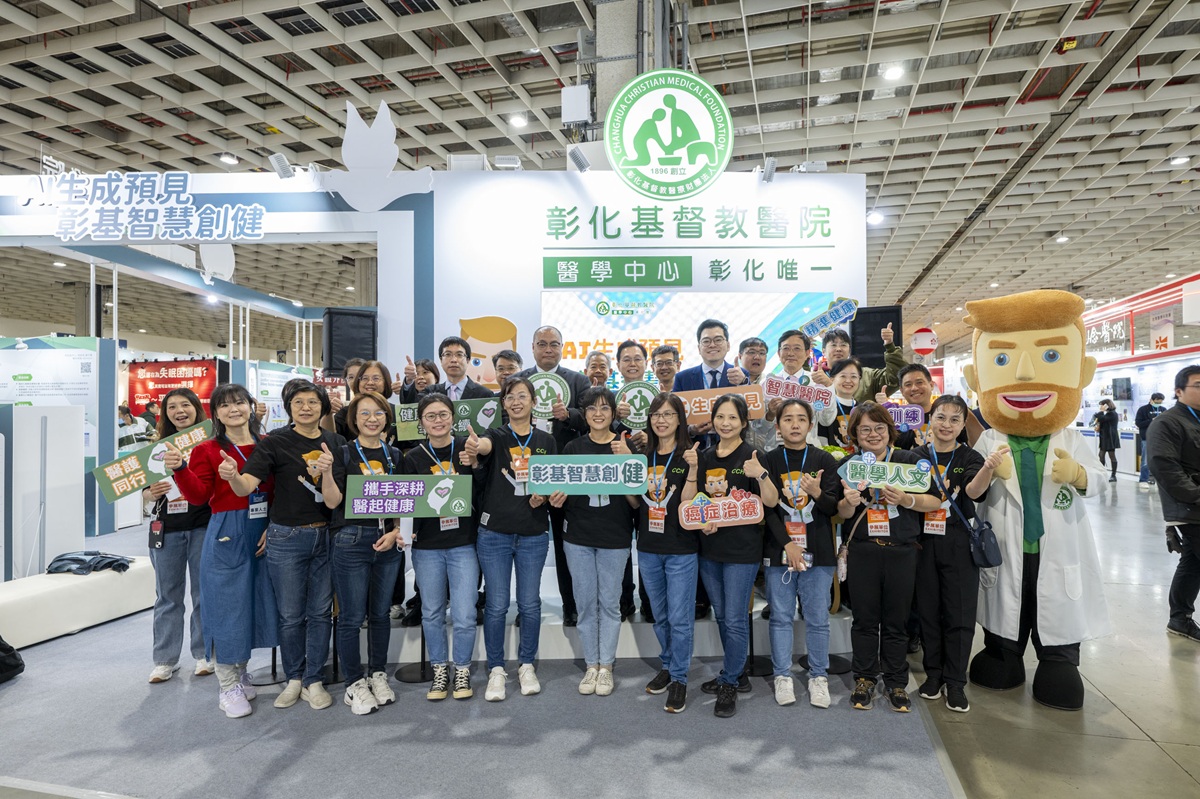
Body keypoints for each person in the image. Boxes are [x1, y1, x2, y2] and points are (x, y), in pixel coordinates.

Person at [963, 290, 1110, 711]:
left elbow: (1100, 480)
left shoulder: (1070, 438)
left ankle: (1059, 660)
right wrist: (988, 472)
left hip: (1058, 545)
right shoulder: (991, 438)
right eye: (1003, 359)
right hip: (1005, 545)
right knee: (1008, 603)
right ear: (977, 378)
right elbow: (970, 490)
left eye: (1050, 357)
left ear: (1082, 372)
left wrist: (1079, 475)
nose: (1025, 375)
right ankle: (1003, 652)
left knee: (1056, 606)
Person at [219, 380, 347, 711]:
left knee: (320, 613)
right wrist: (233, 476)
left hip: (326, 536)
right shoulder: (275, 441)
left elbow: (334, 501)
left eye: (313, 402)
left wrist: (327, 471)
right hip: (286, 538)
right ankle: (294, 678)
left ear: (323, 407)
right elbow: (246, 487)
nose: (306, 407)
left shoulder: (335, 442)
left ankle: (314, 679)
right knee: (291, 615)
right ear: (288, 407)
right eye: (298, 402)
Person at [171, 383, 278, 718]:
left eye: (239, 402)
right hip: (227, 532)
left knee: (255, 603)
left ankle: (242, 669)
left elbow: (279, 491)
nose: (234, 409)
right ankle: (227, 683)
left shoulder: (266, 444)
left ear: (250, 406)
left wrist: (273, 525)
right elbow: (198, 497)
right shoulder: (206, 450)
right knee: (226, 605)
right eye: (225, 405)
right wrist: (180, 469)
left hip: (264, 529)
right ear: (215, 413)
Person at [836, 402, 942, 712]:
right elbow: (840, 514)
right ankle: (865, 678)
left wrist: (907, 499)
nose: (873, 434)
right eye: (865, 429)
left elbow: (935, 500)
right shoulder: (849, 466)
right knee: (865, 620)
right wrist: (848, 501)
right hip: (863, 550)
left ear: (889, 431)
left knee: (897, 621)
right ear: (855, 434)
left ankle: (896, 681)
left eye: (879, 428)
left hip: (902, 551)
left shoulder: (908, 461)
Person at [682, 393, 778, 718]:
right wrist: (702, 520)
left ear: (744, 422)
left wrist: (760, 474)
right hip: (710, 549)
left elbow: (771, 501)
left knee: (736, 618)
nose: (725, 423)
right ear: (713, 420)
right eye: (720, 417)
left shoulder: (753, 455)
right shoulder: (705, 456)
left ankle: (729, 681)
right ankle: (736, 673)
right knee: (722, 616)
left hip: (742, 551)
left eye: (733, 417)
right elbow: (694, 502)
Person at [463, 376, 556, 701]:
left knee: (530, 604)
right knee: (497, 605)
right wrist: (476, 446)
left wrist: (544, 496)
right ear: (503, 403)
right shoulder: (496, 435)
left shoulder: (546, 440)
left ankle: (526, 665)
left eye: (522, 396)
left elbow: (552, 479)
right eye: (510, 397)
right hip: (494, 534)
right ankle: (496, 669)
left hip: (533, 534)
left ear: (533, 402)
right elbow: (484, 446)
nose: (516, 402)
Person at [913, 395, 1007, 713]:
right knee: (928, 612)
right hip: (922, 541)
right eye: (941, 417)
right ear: (931, 419)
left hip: (958, 540)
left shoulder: (970, 456)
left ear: (963, 423)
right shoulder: (915, 456)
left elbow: (973, 492)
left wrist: (988, 468)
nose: (947, 425)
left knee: (960, 614)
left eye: (955, 419)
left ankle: (955, 682)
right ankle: (933, 675)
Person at [551, 387, 632, 696]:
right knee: (585, 604)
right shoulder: (572, 447)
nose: (598, 414)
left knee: (610, 604)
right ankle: (591, 665)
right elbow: (559, 488)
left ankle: (606, 666)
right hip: (578, 537)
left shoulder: (623, 446)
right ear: (584, 415)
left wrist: (627, 460)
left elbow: (636, 499)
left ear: (614, 413)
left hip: (615, 535)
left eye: (605, 408)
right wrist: (555, 498)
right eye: (592, 409)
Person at [762, 399, 842, 709]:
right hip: (779, 550)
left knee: (818, 619)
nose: (794, 425)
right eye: (787, 419)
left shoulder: (824, 459)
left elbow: (833, 509)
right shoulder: (769, 460)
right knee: (781, 617)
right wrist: (788, 544)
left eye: (800, 419)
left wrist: (817, 492)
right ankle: (782, 675)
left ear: (810, 424)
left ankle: (818, 676)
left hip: (818, 551)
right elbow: (767, 510)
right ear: (778, 425)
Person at [404, 393, 480, 701]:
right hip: (427, 546)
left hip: (464, 543)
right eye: (431, 416)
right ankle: (439, 669)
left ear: (453, 417)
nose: (438, 420)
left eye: (443, 414)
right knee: (432, 611)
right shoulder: (412, 457)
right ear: (421, 422)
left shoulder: (466, 448)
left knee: (464, 613)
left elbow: (482, 488)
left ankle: (461, 668)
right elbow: (407, 501)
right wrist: (404, 533)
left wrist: (476, 463)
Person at [332, 390, 403, 715]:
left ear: (387, 418)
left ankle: (377, 674)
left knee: (379, 614)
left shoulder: (395, 455)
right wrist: (325, 473)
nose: (372, 419)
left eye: (378, 413)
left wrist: (396, 531)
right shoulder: (343, 453)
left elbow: (405, 500)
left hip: (387, 540)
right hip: (351, 539)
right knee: (350, 617)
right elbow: (333, 501)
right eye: (365, 413)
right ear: (354, 419)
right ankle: (354, 683)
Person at [516, 325, 590, 627]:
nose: (548, 349)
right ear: (533, 347)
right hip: (525, 471)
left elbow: (592, 418)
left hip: (563, 472)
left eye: (554, 344)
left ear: (562, 347)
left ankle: (570, 605)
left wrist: (569, 415)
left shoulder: (578, 380)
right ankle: (526, 606)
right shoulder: (518, 381)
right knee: (526, 545)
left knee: (563, 543)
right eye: (542, 343)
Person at [625, 393, 696, 712]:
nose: (661, 420)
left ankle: (680, 677)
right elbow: (636, 503)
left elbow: (691, 504)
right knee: (661, 615)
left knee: (680, 618)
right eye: (656, 414)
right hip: (649, 547)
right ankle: (668, 664)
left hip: (681, 548)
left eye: (668, 414)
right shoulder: (643, 457)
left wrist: (693, 470)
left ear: (679, 419)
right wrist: (625, 483)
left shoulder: (689, 456)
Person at [142, 388, 213, 684]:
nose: (179, 411)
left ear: (197, 408)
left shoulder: (210, 443)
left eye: (185, 405)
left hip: (203, 525)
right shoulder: (155, 447)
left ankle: (204, 654)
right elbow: (144, 493)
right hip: (167, 528)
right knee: (167, 596)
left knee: (203, 594)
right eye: (172, 407)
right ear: (165, 413)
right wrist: (150, 492)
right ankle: (164, 660)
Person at [1146, 365, 1200, 643]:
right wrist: (1195, 495)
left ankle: (1180, 619)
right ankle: (1180, 617)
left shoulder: (1195, 420)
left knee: (1193, 562)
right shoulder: (1168, 422)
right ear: (1179, 391)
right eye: (1198, 385)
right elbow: (1164, 466)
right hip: (1190, 508)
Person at [817, 326, 906, 403]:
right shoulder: (815, 378)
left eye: (843, 345)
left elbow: (897, 377)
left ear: (849, 350)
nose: (839, 349)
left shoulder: (867, 376)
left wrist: (890, 347)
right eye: (833, 345)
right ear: (823, 351)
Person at [816, 358, 863, 453]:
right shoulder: (826, 406)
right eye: (843, 376)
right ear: (832, 379)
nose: (848, 381)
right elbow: (821, 437)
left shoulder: (863, 409)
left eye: (854, 377)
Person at [1135, 392, 1166, 488]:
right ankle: (1143, 479)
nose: (1158, 404)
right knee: (1145, 460)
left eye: (1160, 402)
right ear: (1151, 400)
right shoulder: (1143, 409)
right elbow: (1138, 423)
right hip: (1147, 438)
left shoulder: (1163, 409)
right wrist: (1152, 420)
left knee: (1160, 460)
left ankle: (1157, 479)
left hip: (1161, 438)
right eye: (1157, 402)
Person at [1091, 399, 1120, 482]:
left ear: (1106, 405)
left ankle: (1113, 475)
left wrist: (1101, 411)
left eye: (1102, 405)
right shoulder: (1107, 414)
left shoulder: (1112, 414)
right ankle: (1102, 473)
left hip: (1110, 438)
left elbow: (1101, 418)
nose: (1101, 407)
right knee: (1101, 455)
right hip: (1104, 437)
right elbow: (1099, 419)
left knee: (1112, 455)